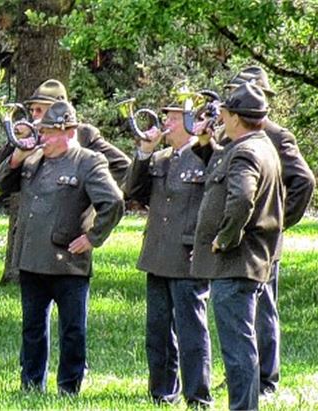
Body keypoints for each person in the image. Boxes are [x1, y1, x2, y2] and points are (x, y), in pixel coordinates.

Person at [0, 101, 125, 395]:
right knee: (32, 328)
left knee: (72, 330)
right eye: (41, 131)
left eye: (49, 133)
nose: (42, 138)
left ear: (69, 131)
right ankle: (31, 384)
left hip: (68, 260)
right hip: (32, 257)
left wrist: (92, 237)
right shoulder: (33, 159)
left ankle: (69, 386)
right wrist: (17, 156)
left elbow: (114, 202)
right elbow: (2, 182)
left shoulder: (88, 161)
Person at [224, 67, 316, 395]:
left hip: (260, 241)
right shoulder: (229, 133)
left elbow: (303, 181)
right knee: (238, 315)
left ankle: (265, 378)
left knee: (263, 310)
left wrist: (277, 222)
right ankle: (243, 374)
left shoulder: (276, 135)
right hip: (235, 238)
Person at [191, 83, 283, 410]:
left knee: (237, 348)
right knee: (241, 343)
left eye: (225, 113)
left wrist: (225, 238)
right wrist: (206, 143)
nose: (221, 119)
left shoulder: (246, 152)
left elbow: (242, 198)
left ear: (234, 118)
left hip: (236, 262)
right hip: (248, 261)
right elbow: (222, 168)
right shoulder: (257, 146)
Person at [0, 79, 130, 285]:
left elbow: (123, 167)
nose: (34, 116)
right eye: (32, 110)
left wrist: (87, 191)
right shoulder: (31, 134)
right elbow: (0, 176)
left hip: (68, 239)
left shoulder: (83, 134)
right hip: (33, 241)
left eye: (40, 110)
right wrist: (17, 150)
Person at [124, 99, 212, 407]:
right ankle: (161, 392)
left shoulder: (206, 156)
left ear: (190, 122)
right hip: (158, 253)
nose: (166, 124)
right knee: (157, 331)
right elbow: (133, 192)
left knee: (191, 331)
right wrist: (144, 152)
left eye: (173, 119)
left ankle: (197, 395)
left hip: (187, 256)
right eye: (167, 118)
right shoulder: (160, 158)